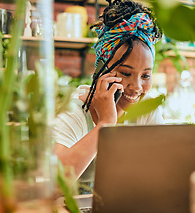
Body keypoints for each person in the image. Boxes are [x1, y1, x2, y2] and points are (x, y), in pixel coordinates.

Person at [53, 0, 164, 180]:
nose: (137, 87)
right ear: (101, 70)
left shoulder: (146, 108)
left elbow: (164, 166)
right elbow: (55, 182)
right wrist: (105, 124)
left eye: (145, 76)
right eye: (126, 73)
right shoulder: (75, 111)